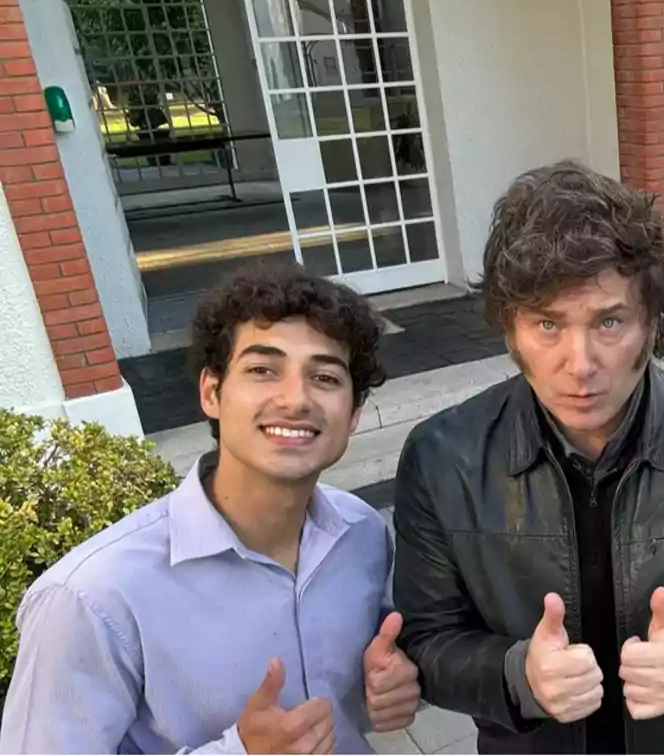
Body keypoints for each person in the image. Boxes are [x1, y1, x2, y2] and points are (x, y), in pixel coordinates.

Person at [390, 160, 664, 754]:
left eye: (609, 321)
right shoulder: (442, 458)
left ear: (653, 322)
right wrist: (518, 676)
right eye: (547, 324)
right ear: (511, 331)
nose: (580, 363)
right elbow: (428, 638)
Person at [0, 263, 422, 754]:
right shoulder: (92, 598)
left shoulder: (362, 534)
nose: (295, 399)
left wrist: (393, 682)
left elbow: (372, 675)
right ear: (211, 392)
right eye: (263, 369)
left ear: (352, 414)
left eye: (325, 377)